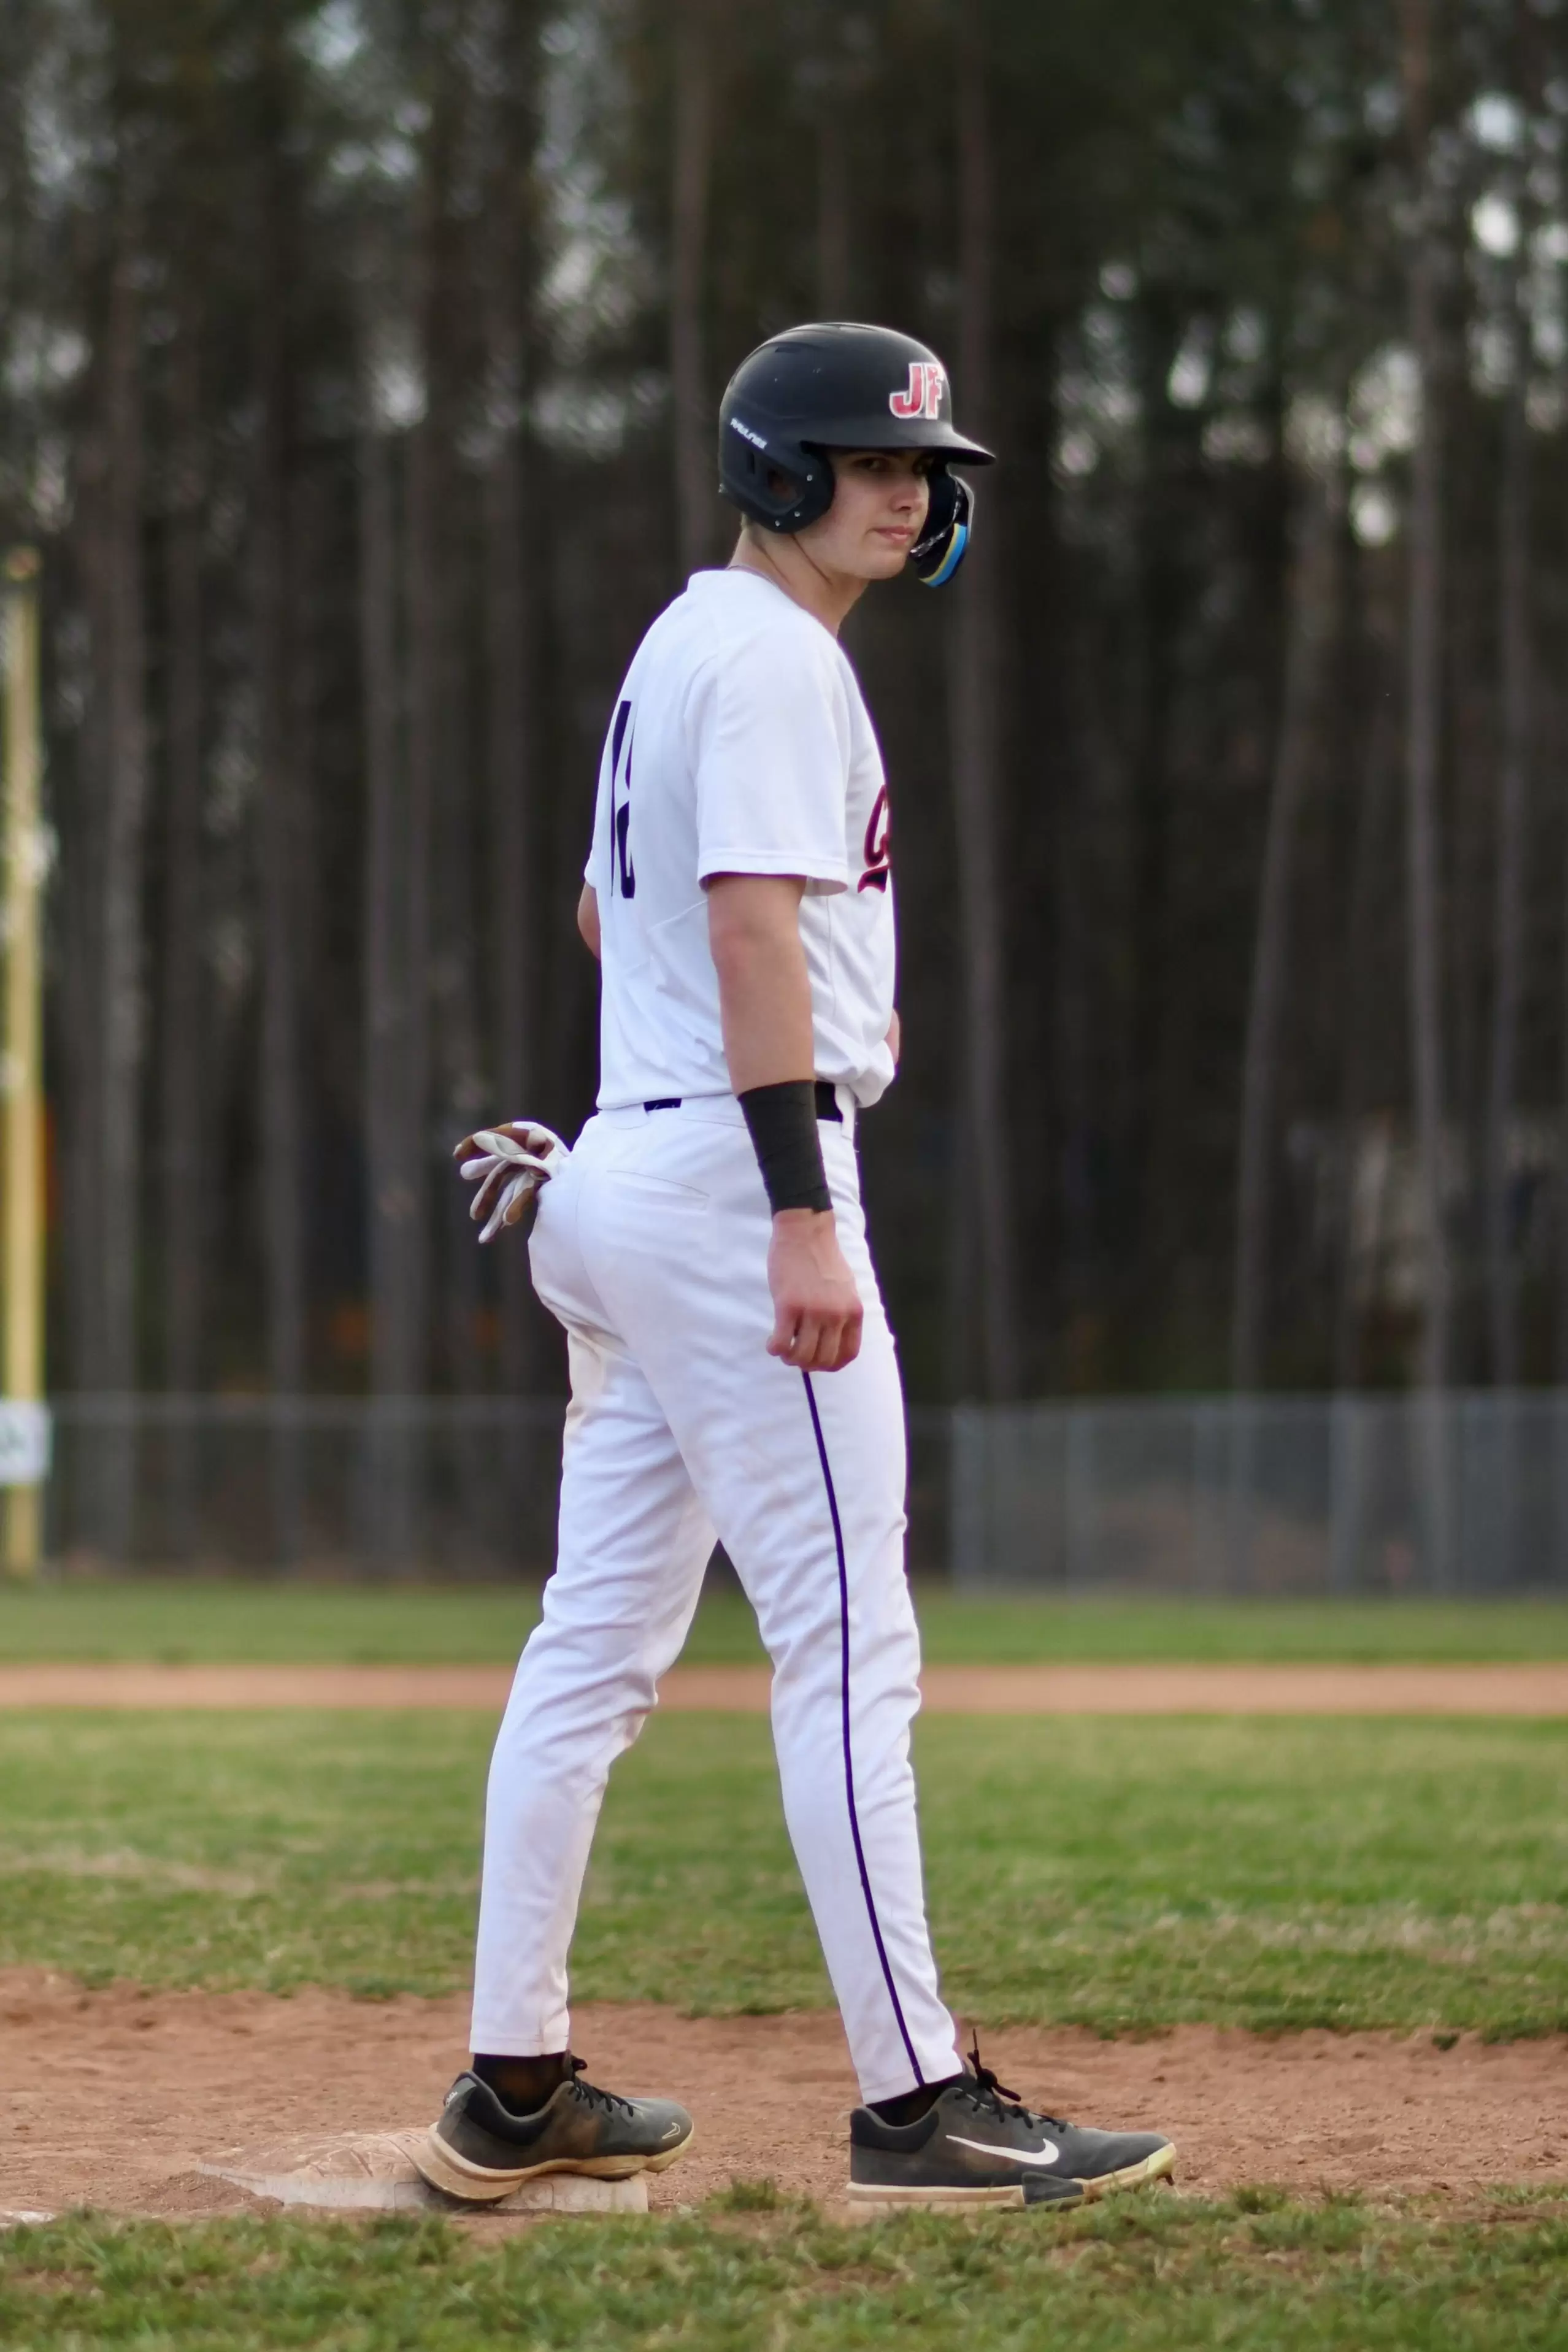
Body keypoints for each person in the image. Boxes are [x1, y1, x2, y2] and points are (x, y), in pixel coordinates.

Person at [413, 323, 1176, 2212]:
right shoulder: (772, 658)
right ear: (777, 470)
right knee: (846, 1644)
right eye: (868, 460)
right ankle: (918, 2107)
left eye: (924, 468)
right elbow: (744, 923)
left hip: (635, 1170)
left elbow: (610, 913)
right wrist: (790, 1204)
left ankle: (514, 2085)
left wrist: (699, 1092)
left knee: (592, 1650)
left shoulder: (686, 642)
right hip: (736, 1180)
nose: (907, 493)